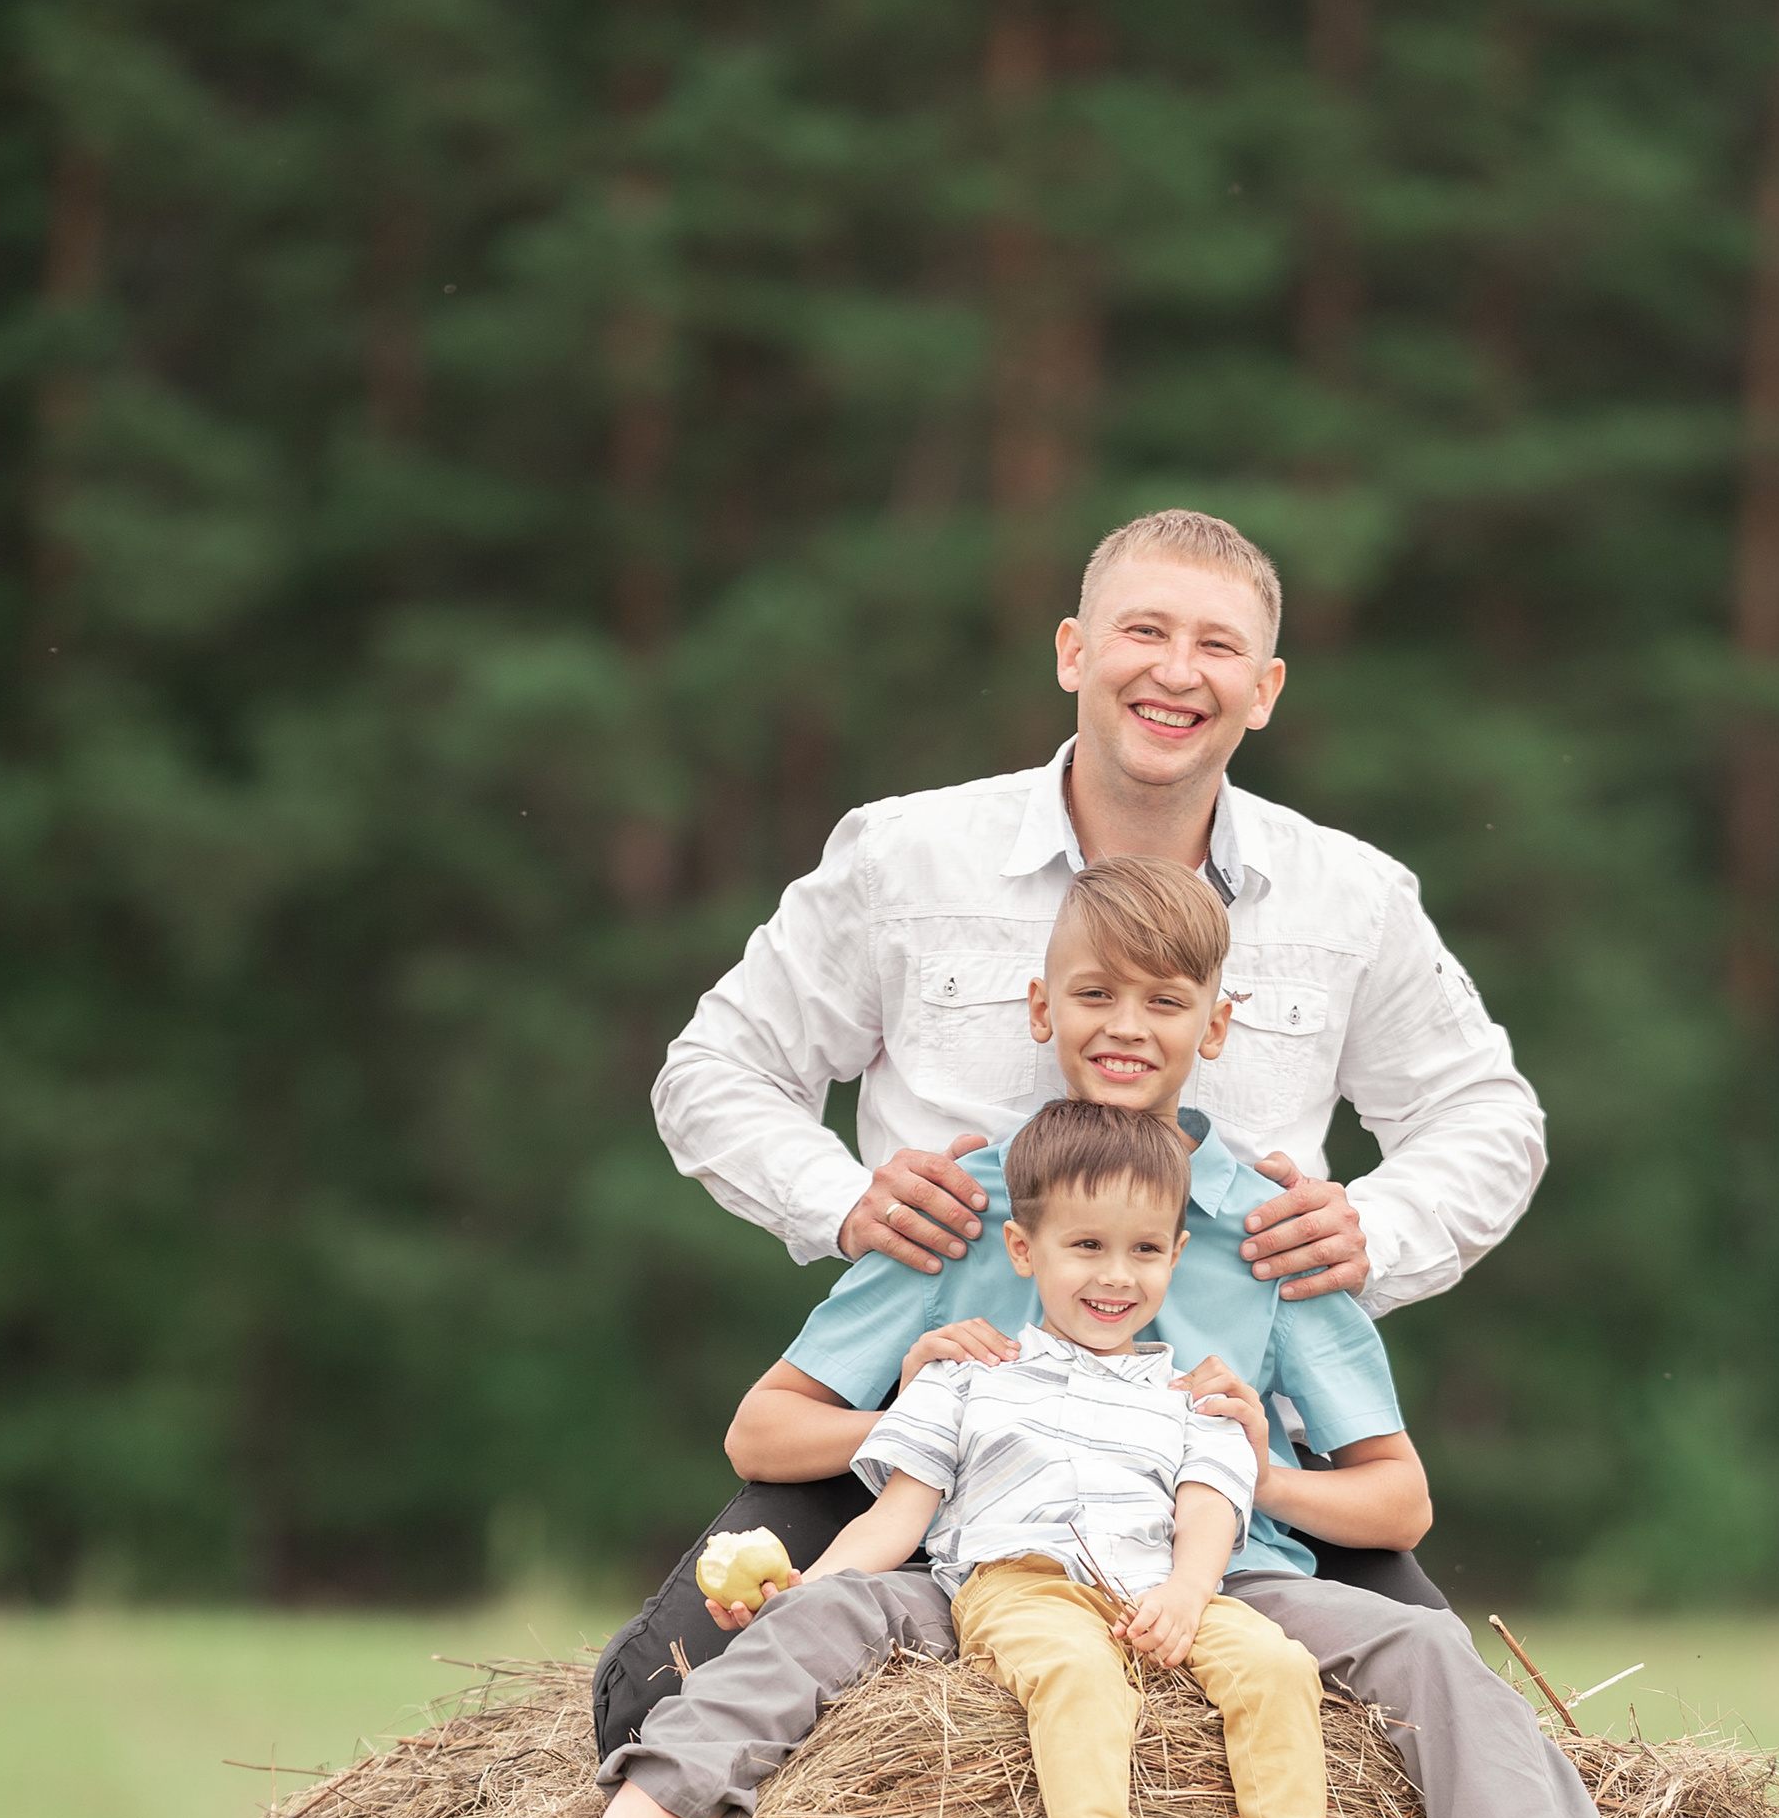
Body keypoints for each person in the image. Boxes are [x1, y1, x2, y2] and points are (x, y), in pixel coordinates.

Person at [506, 861, 1647, 1818]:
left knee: (1429, 1652)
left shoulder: (1272, 1224)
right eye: (1095, 993)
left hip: (1224, 1562)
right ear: (1040, 1006)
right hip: (987, 1560)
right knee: (810, 1623)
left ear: (1215, 1025)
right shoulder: (973, 1202)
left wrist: (1248, 1450)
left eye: (1166, 1000)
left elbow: (1396, 1507)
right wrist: (911, 1394)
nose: (1128, 1023)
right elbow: (766, 1426)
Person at [599, 500, 1543, 1740]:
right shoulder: (905, 857)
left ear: (1263, 691)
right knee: (656, 1696)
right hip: (927, 1425)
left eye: (1214, 647)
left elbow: (1487, 1113)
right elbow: (716, 1066)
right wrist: (841, 1200)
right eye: (1141, 631)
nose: (1173, 670)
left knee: (1456, 1739)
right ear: (1070, 654)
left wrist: (1377, 1227)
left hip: (1217, 1462)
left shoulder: (1351, 897)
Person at [804, 1093, 1367, 1818]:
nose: (1117, 1275)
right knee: (1076, 1673)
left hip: (1153, 1583)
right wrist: (807, 1588)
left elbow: (1210, 1503)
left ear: (1177, 1257)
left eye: (1146, 1250)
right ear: (1024, 1253)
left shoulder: (1192, 1396)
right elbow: (893, 1522)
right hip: (1021, 1585)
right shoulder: (967, 1377)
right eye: (1088, 1247)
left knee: (1276, 1663)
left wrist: (1189, 1593)